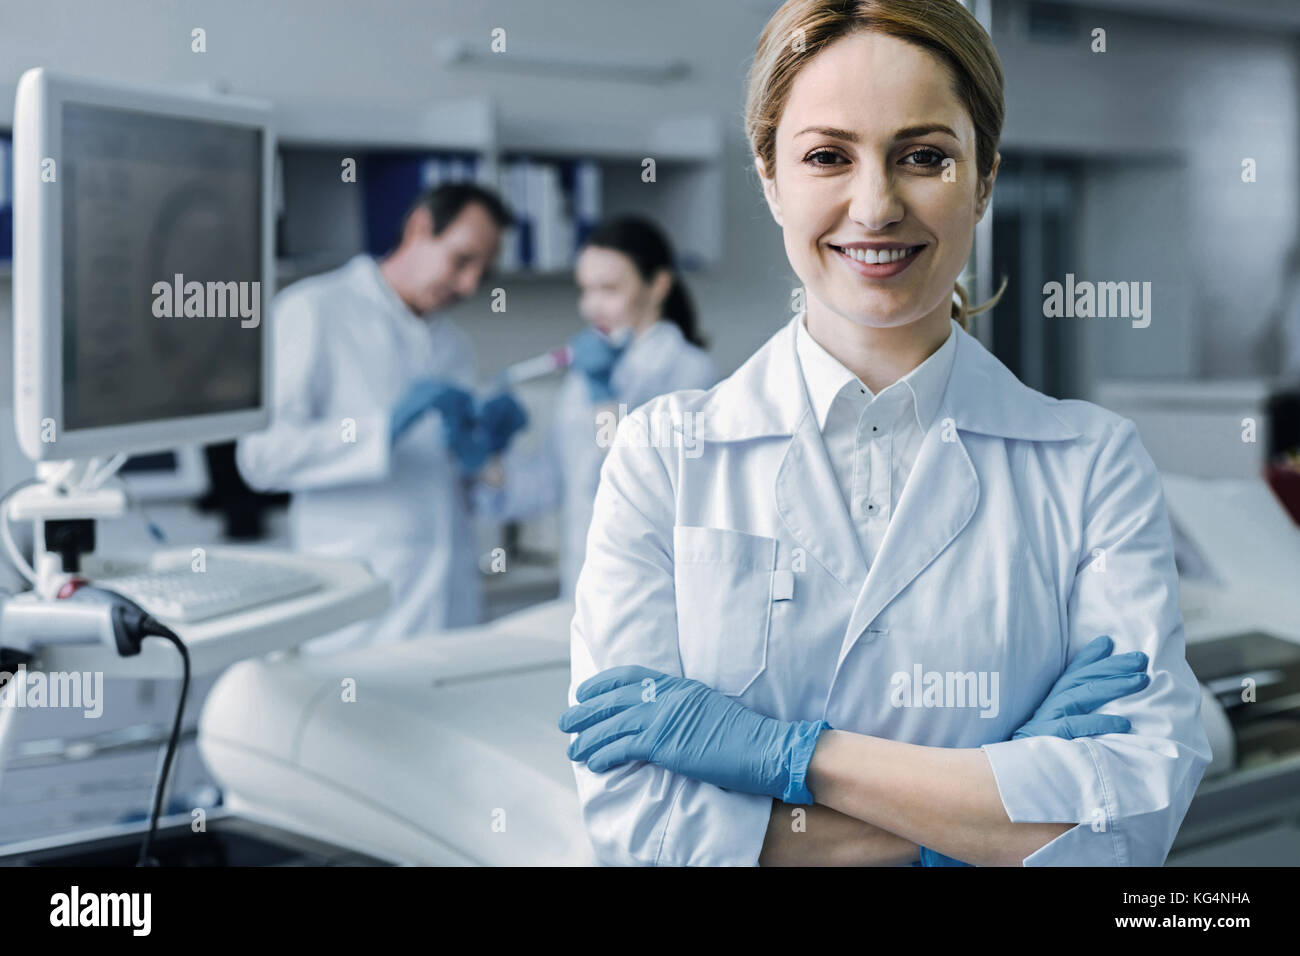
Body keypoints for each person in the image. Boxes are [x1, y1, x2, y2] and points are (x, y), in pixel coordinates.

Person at [559, 0, 1210, 866]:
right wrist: (994, 797)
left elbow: (1130, 812)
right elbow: (642, 832)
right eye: (828, 156)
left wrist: (787, 758)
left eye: (925, 157)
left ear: (983, 180)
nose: (875, 206)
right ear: (770, 176)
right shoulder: (661, 455)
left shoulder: (1092, 465)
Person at [237, 182, 526, 654]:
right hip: (359, 614)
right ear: (418, 227)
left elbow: (457, 484)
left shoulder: (452, 344)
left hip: (451, 606)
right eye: (462, 260)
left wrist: (485, 451)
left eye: (484, 271)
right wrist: (383, 429)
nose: (471, 285)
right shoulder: (315, 310)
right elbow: (260, 457)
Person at [477, 215, 717, 600]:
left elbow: (642, 476)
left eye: (609, 289)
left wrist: (603, 395)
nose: (591, 307)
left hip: (650, 586)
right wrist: (486, 461)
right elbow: (554, 483)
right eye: (586, 290)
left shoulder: (690, 371)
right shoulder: (585, 376)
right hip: (581, 582)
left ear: (658, 285)